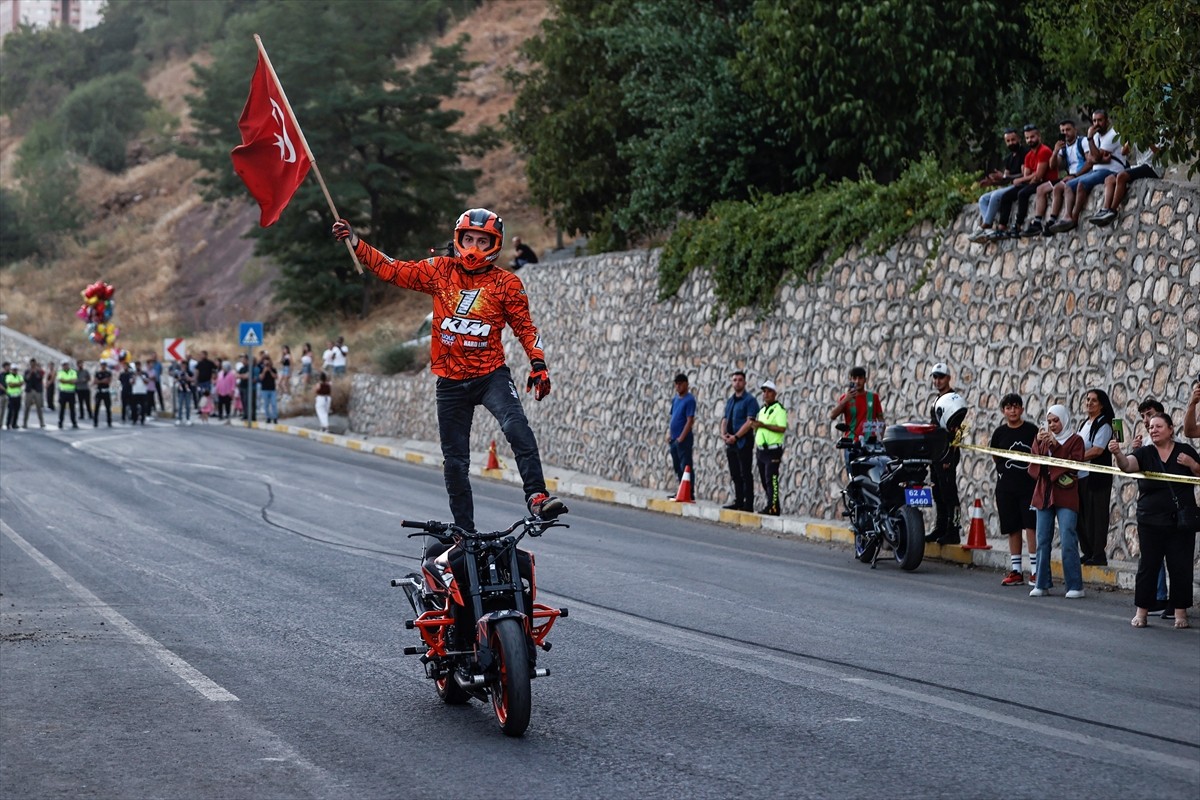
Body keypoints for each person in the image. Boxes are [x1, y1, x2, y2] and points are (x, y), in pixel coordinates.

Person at [332, 208, 566, 529]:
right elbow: (392, 270)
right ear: (456, 239)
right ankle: (465, 532)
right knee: (455, 464)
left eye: (482, 242)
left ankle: (537, 496)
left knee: (516, 426)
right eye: (468, 239)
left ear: (495, 245)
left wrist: (538, 364)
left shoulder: (507, 283)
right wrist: (357, 242)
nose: (473, 247)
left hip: (490, 375)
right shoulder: (439, 270)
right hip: (450, 381)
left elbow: (525, 328)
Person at [1110, 413, 1200, 628]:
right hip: (1150, 521)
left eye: (1159, 426)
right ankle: (1141, 611)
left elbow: (1199, 474)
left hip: (1180, 521)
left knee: (1180, 567)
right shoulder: (1145, 453)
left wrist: (1192, 464)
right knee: (1148, 566)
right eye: (1151, 427)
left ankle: (1180, 613)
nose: (1154, 430)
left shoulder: (1185, 451)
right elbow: (1127, 466)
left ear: (1170, 429)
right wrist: (1118, 454)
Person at [1028, 404, 1086, 598]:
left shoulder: (1076, 440)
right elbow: (1034, 466)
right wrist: (1037, 442)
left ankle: (1075, 585)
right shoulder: (1044, 439)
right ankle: (1041, 583)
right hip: (1044, 493)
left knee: (1068, 537)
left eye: (1056, 420)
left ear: (1064, 420)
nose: (1052, 425)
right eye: (1049, 421)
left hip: (1066, 494)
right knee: (1042, 539)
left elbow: (1073, 464)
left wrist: (1055, 446)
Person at [1048, 109, 1125, 233]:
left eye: (1100, 120)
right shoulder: (1095, 137)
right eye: (1094, 120)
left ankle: (1074, 217)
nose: (1096, 123)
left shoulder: (1112, 134)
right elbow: (1090, 159)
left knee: (1081, 184)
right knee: (1068, 186)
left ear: (1107, 121)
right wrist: (1096, 157)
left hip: (1111, 170)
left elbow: (1096, 157)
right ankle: (1067, 216)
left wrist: (1090, 142)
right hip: (1097, 170)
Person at [990, 393, 1039, 585]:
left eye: (1016, 407)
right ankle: (1016, 570)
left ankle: (1035, 571)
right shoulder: (999, 433)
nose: (1013, 411)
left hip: (1029, 488)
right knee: (1012, 528)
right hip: (1006, 488)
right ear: (1003, 411)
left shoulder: (1031, 430)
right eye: (1009, 407)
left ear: (1022, 409)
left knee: (1031, 527)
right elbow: (995, 456)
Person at [992, 123, 1056, 239]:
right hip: (1033, 182)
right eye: (1027, 138)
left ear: (1039, 136)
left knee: (1022, 193)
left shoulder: (1044, 151)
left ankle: (1018, 224)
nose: (1030, 140)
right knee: (1006, 196)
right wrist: (1027, 178)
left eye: (1032, 137)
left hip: (1045, 181)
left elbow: (1039, 175)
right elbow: (1029, 175)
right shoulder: (1028, 155)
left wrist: (1022, 179)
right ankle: (1002, 227)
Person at [927, 362, 966, 544]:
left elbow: (958, 430)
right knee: (938, 492)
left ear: (948, 378)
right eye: (935, 377)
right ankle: (941, 527)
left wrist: (950, 455)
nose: (937, 380)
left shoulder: (954, 400)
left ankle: (954, 529)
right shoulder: (937, 399)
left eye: (941, 377)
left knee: (950, 494)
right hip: (935, 453)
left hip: (948, 452)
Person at [1077, 388, 1115, 566]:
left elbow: (1097, 450)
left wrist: (1072, 458)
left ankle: (1098, 553)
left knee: (1097, 516)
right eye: (1087, 399)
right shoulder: (1085, 423)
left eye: (1093, 400)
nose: (1089, 403)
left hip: (1097, 477)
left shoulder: (1104, 424)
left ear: (1101, 404)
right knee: (1083, 516)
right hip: (1082, 476)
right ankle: (1088, 551)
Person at [1031, 119, 1089, 235]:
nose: (1065, 133)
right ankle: (1048, 220)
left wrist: (1075, 175)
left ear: (1075, 130)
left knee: (1059, 187)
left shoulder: (1083, 142)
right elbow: (1053, 165)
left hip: (1081, 174)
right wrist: (1055, 151)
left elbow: (1090, 162)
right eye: (1062, 131)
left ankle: (1056, 218)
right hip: (1069, 176)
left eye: (1068, 130)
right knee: (1045, 188)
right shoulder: (1063, 147)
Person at [969, 129, 1026, 243]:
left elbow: (1024, 174)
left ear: (1019, 139)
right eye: (1008, 141)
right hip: (1011, 186)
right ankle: (989, 229)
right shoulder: (1009, 158)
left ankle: (985, 225)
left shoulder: (1025, 153)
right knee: (983, 199)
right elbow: (1006, 179)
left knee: (995, 195)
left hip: (1021, 185)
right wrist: (993, 182)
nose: (1011, 143)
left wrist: (1005, 178)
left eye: (1013, 140)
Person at [1088, 141, 1161, 226]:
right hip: (1140, 165)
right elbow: (1123, 152)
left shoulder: (1162, 132)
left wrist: (1147, 139)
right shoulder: (1140, 131)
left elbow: (1159, 153)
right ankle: (1105, 209)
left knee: (1121, 177)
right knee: (1109, 179)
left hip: (1153, 167)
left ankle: (1112, 210)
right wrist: (1131, 139)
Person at [829, 365, 885, 473]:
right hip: (852, 444)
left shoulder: (873, 398)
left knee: (874, 475)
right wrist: (846, 400)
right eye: (854, 378)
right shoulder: (845, 399)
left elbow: (881, 420)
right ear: (850, 380)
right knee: (854, 477)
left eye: (860, 378)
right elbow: (832, 415)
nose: (857, 381)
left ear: (865, 380)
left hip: (870, 444)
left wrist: (880, 439)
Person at [720, 370, 759, 511]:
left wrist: (736, 436)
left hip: (743, 442)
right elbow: (725, 419)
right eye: (734, 380)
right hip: (730, 442)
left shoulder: (750, 401)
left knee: (745, 473)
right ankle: (738, 501)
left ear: (745, 382)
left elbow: (750, 422)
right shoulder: (730, 401)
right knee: (735, 473)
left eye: (740, 380)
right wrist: (723, 434)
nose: (737, 382)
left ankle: (748, 504)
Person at [751, 379, 788, 515]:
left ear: (774, 394)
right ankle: (772, 504)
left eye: (769, 391)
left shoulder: (779, 410)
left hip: (773, 450)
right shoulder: (762, 410)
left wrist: (763, 426)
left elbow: (781, 428)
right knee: (764, 479)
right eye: (764, 391)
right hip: (761, 450)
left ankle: (773, 507)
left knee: (771, 479)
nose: (766, 394)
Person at [667, 372, 697, 497]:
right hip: (674, 438)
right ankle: (681, 489)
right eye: (676, 384)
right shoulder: (675, 399)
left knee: (685, 464)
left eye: (680, 384)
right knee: (677, 465)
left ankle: (689, 491)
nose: (678, 386)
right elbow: (673, 417)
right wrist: (669, 434)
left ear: (686, 385)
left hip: (683, 439)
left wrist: (681, 438)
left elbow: (690, 420)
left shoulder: (689, 400)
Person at [22, 358, 45, 429]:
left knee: (39, 408)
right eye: (31, 364)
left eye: (34, 364)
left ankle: (41, 422)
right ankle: (24, 423)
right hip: (29, 391)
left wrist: (35, 372)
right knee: (27, 407)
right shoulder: (27, 371)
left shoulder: (39, 371)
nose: (33, 365)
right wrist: (30, 372)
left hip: (37, 391)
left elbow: (40, 378)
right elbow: (26, 379)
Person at [56, 360, 78, 429]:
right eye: (64, 365)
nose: (65, 366)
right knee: (62, 408)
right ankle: (60, 422)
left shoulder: (73, 372)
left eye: (66, 365)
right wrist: (69, 381)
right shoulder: (60, 372)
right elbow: (61, 380)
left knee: (72, 409)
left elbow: (74, 381)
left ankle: (74, 422)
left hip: (71, 392)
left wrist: (66, 381)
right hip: (63, 392)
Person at [171, 360, 194, 425]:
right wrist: (179, 378)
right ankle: (179, 418)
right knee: (180, 405)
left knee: (187, 406)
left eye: (184, 365)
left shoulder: (189, 372)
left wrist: (187, 377)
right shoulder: (178, 372)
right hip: (180, 390)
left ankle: (188, 419)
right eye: (182, 365)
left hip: (188, 390)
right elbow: (174, 381)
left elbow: (193, 379)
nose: (183, 366)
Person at [92, 360, 113, 427]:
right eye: (102, 365)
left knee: (108, 407)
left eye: (104, 365)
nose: (103, 366)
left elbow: (108, 381)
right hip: (99, 391)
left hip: (106, 391)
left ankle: (109, 422)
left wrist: (100, 381)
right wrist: (102, 381)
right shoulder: (97, 373)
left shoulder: (108, 373)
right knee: (97, 407)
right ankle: (95, 422)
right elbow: (95, 382)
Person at [258, 355, 278, 424]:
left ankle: (275, 417)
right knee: (266, 404)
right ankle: (268, 417)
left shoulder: (273, 369)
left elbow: (275, 377)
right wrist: (264, 371)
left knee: (274, 404)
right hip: (264, 389)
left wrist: (269, 371)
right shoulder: (261, 369)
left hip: (272, 389)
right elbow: (261, 378)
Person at [4, 363, 23, 430]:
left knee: (16, 410)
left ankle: (14, 424)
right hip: (11, 396)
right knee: (10, 410)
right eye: (14, 370)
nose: (15, 371)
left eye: (16, 370)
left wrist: (15, 384)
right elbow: (10, 385)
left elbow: (21, 383)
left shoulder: (19, 376)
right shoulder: (9, 376)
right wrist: (17, 384)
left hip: (17, 396)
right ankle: (8, 424)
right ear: (11, 370)